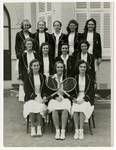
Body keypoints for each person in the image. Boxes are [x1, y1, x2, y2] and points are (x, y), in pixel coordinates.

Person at [47, 61, 72, 140]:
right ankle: (57, 131)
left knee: (65, 110)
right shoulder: (51, 78)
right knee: (54, 110)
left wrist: (63, 96)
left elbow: (70, 91)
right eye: (58, 67)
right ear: (55, 68)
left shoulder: (67, 78)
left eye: (61, 67)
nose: (60, 69)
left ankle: (63, 131)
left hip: (65, 98)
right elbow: (49, 91)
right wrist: (55, 97)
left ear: (64, 68)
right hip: (55, 99)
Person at [23, 59, 47, 137]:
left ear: (39, 66)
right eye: (34, 66)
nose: (36, 67)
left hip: (40, 97)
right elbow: (27, 90)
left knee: (40, 106)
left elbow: (45, 89)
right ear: (31, 67)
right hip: (31, 98)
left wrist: (44, 96)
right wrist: (35, 98)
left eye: (37, 65)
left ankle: (39, 128)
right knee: (32, 105)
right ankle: (33, 128)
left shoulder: (43, 76)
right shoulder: (27, 77)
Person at [71, 60, 94, 140]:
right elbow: (72, 91)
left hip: (86, 98)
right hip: (77, 97)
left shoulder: (90, 78)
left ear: (86, 68)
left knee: (82, 109)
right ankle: (76, 130)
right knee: (75, 109)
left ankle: (81, 130)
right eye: (81, 67)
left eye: (84, 67)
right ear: (78, 68)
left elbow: (91, 91)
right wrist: (73, 98)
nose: (83, 68)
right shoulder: (75, 78)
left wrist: (84, 99)